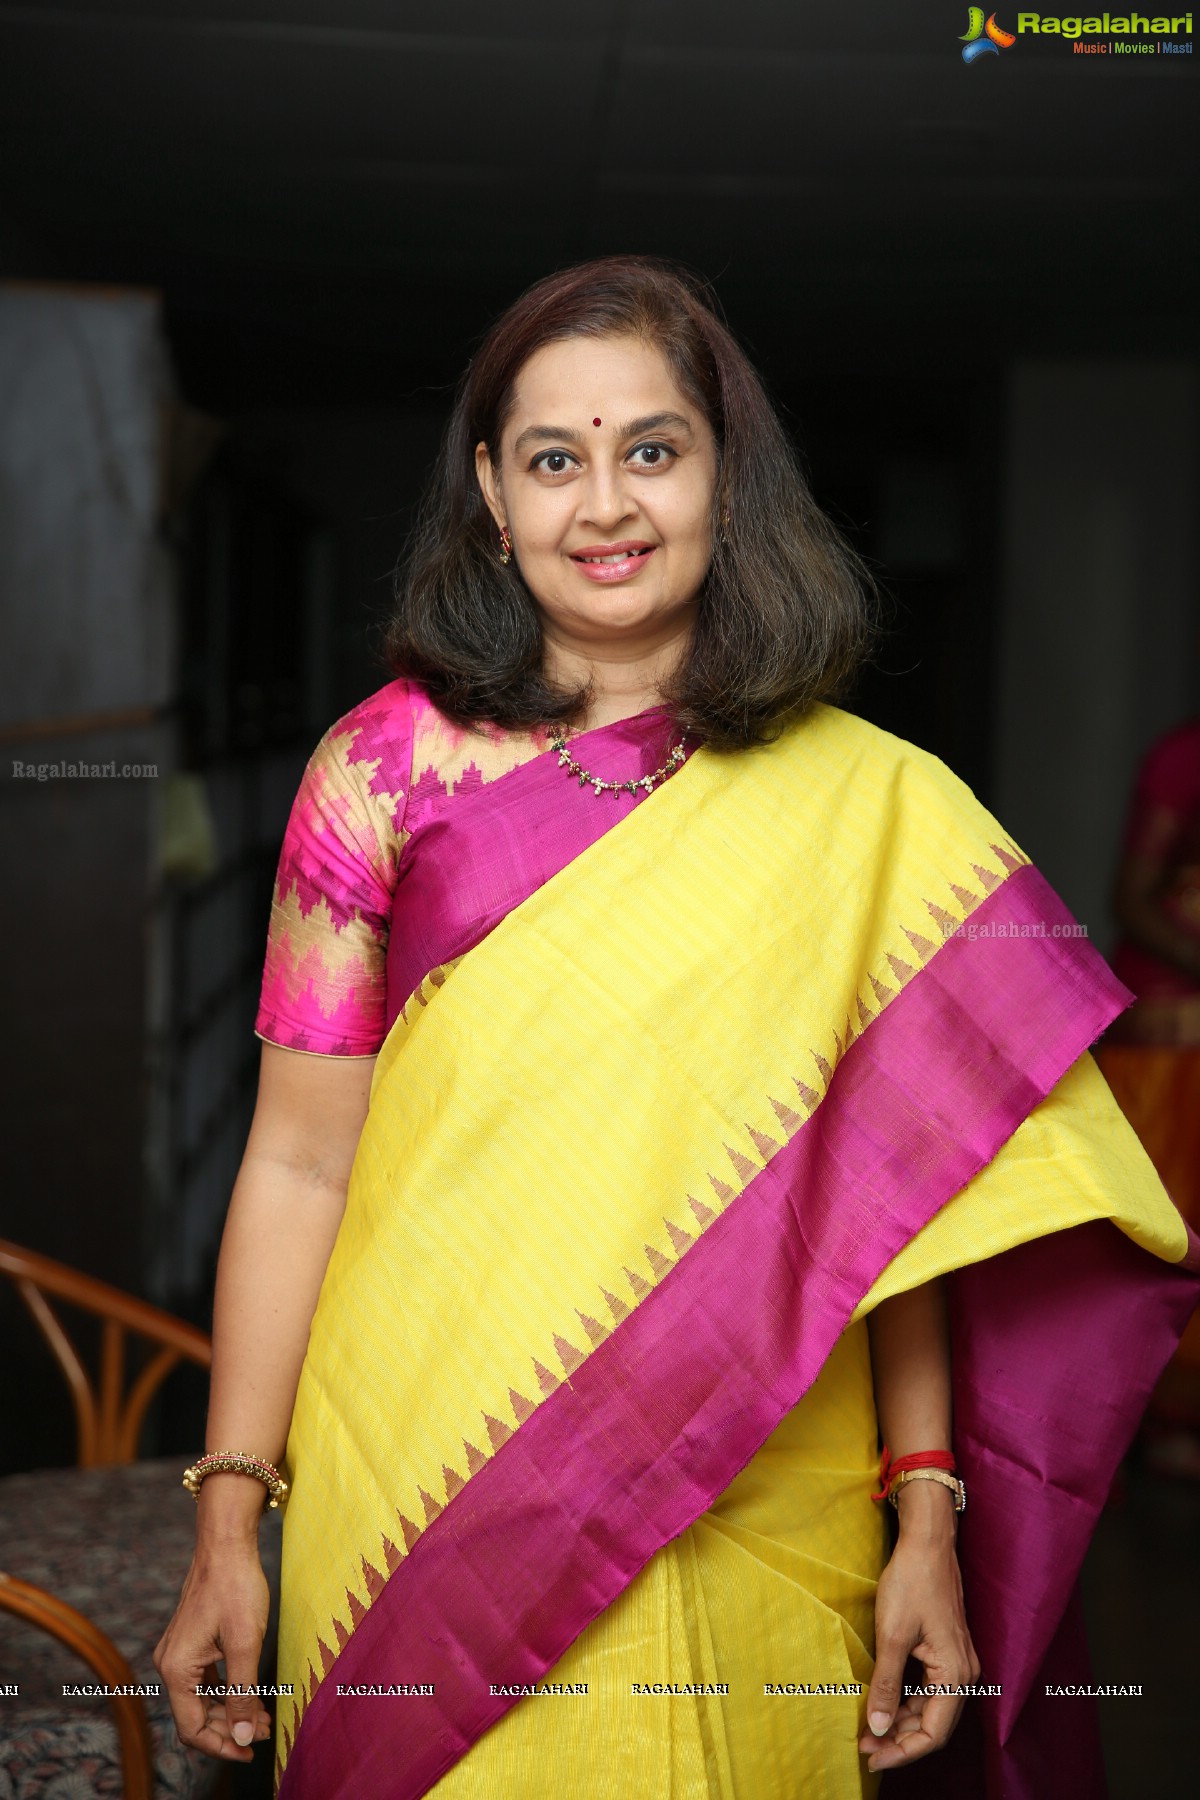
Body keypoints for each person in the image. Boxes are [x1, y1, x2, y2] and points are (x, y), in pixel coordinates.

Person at [155, 258, 1197, 1800]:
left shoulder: (871, 806)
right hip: (433, 1482)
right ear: (494, 502)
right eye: (553, 459)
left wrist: (926, 1513)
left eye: (653, 448)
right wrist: (231, 1517)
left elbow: (889, 1185)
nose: (606, 504)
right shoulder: (373, 780)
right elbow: (302, 1166)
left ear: (727, 477)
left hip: (771, 1494)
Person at [1096, 719, 1200, 1470]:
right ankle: (1157, 1423)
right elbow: (1130, 898)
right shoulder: (1182, 758)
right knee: (1167, 1225)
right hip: (1166, 1039)